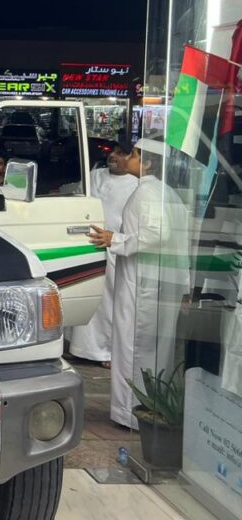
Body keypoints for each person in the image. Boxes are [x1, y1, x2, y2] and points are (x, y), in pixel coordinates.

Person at [87, 139, 191, 429]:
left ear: (147, 162)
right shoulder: (161, 192)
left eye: (133, 154)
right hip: (148, 282)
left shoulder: (147, 192)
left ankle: (131, 413)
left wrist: (115, 240)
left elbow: (157, 233)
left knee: (131, 347)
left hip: (141, 285)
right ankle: (142, 410)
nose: (127, 158)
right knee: (146, 349)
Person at [68, 143, 138, 367]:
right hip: (88, 245)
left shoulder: (136, 186)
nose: (113, 156)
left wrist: (115, 240)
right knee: (86, 296)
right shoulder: (95, 175)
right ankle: (81, 348)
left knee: (109, 302)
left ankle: (106, 352)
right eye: (113, 151)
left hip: (116, 248)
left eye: (121, 153)